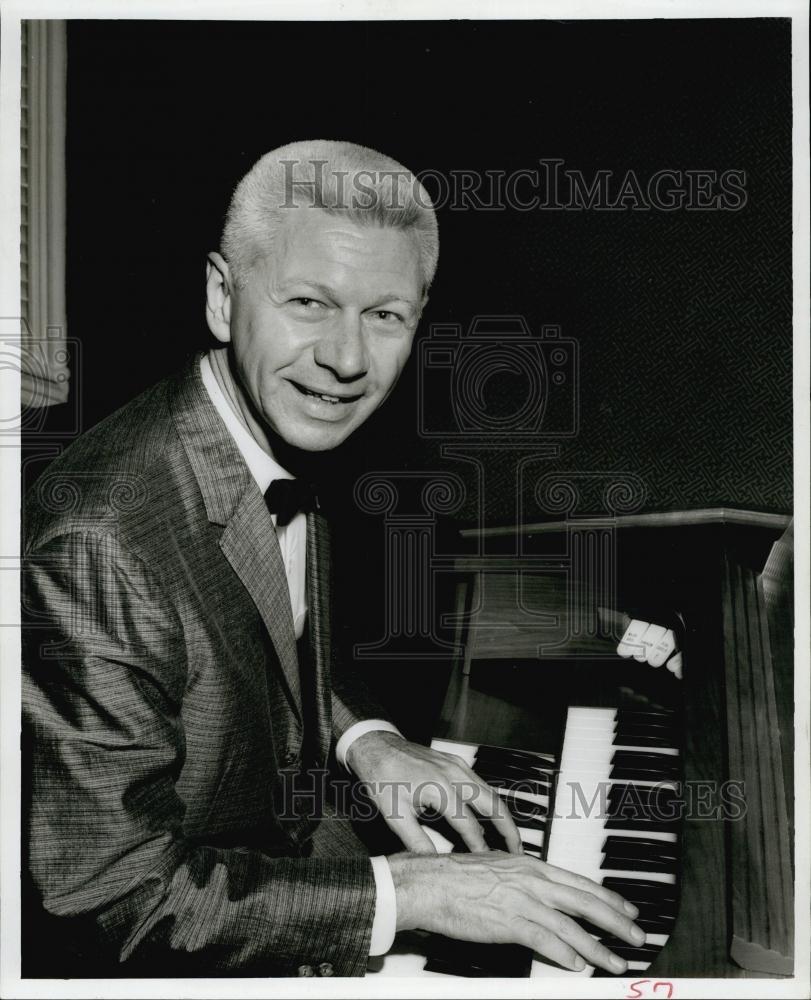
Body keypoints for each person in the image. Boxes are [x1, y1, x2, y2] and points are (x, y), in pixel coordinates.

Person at [22, 139, 645, 978]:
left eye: (384, 315)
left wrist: (364, 742)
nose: (347, 360)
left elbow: (255, 648)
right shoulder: (99, 545)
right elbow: (106, 898)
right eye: (309, 303)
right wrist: (412, 895)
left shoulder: (269, 424)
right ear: (220, 297)